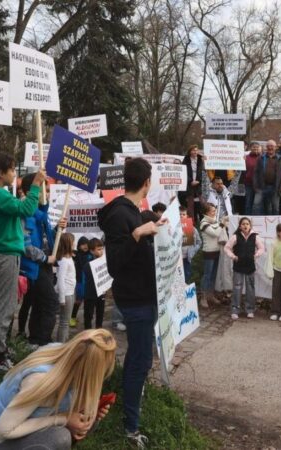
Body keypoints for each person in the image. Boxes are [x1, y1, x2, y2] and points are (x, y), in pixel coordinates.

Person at [97, 157, 162, 446]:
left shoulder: (134, 212)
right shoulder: (120, 215)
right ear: (146, 183)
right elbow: (116, 263)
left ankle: (132, 403)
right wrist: (138, 234)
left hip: (144, 296)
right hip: (135, 300)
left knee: (140, 359)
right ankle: (129, 426)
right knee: (140, 360)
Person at [0, 329, 117, 449]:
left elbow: (67, 414)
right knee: (59, 437)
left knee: (73, 428)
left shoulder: (69, 356)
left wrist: (91, 414)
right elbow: (3, 430)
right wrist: (63, 419)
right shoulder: (41, 380)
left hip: (19, 437)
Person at [0, 151, 42, 374]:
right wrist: (35, 186)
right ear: (0, 173)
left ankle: (1, 349)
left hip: (5, 253)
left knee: (4, 303)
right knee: (4, 305)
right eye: (12, 170)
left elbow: (18, 209)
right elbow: (27, 209)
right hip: (5, 254)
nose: (15, 174)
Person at [20, 174, 61, 350]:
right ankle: (43, 341)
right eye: (45, 190)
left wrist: (58, 228)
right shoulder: (26, 214)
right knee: (51, 302)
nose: (48, 194)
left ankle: (35, 339)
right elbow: (25, 244)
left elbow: (45, 236)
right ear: (32, 192)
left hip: (44, 265)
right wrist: (45, 258)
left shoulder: (40, 214)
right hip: (35, 266)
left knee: (40, 303)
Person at [223, 217, 265, 320]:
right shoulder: (235, 236)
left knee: (250, 288)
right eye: (243, 224)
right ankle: (235, 309)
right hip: (238, 266)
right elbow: (227, 248)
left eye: (247, 224)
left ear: (250, 225)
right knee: (237, 288)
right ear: (240, 226)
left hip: (250, 266)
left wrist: (256, 255)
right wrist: (233, 256)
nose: (245, 226)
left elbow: (261, 248)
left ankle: (250, 310)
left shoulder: (255, 237)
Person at [199, 203, 228, 307]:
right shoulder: (203, 223)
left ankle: (210, 295)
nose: (214, 212)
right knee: (207, 275)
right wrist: (222, 224)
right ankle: (203, 297)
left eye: (215, 210)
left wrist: (223, 224)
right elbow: (215, 233)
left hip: (217, 251)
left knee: (213, 276)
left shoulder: (215, 221)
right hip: (208, 253)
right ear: (207, 212)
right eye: (212, 211)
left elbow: (219, 231)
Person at [55, 233, 77, 343]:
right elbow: (60, 280)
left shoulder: (69, 258)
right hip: (66, 294)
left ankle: (64, 342)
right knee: (64, 322)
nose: (75, 243)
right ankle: (60, 345)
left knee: (66, 321)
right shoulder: (64, 260)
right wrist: (62, 298)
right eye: (73, 241)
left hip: (70, 292)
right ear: (68, 244)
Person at [80, 239, 106, 330]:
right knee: (88, 315)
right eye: (98, 249)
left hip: (101, 292)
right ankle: (88, 334)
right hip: (90, 293)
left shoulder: (103, 260)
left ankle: (99, 332)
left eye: (102, 249)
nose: (101, 251)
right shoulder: (87, 263)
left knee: (100, 314)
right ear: (91, 251)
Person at [252, 140, 281, 215]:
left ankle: (275, 224)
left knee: (275, 207)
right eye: (268, 146)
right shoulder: (261, 158)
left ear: (275, 147)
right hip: (261, 186)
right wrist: (255, 186)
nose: (270, 148)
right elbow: (255, 173)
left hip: (275, 187)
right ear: (266, 147)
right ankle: (257, 224)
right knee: (256, 205)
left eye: (272, 146)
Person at [180, 145, 204, 220]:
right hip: (189, 186)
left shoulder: (200, 160)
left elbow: (202, 172)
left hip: (198, 186)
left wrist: (199, 181)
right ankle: (191, 223)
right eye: (193, 150)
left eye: (196, 150)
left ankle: (201, 222)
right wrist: (190, 181)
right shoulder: (186, 160)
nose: (195, 152)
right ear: (190, 151)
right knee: (190, 206)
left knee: (200, 205)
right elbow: (183, 172)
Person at [243, 142, 261, 215]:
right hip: (248, 184)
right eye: (254, 147)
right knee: (248, 203)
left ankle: (256, 220)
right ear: (250, 148)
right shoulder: (246, 158)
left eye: (257, 147)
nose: (255, 148)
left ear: (260, 148)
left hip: (260, 185)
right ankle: (247, 219)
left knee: (257, 204)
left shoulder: (263, 157)